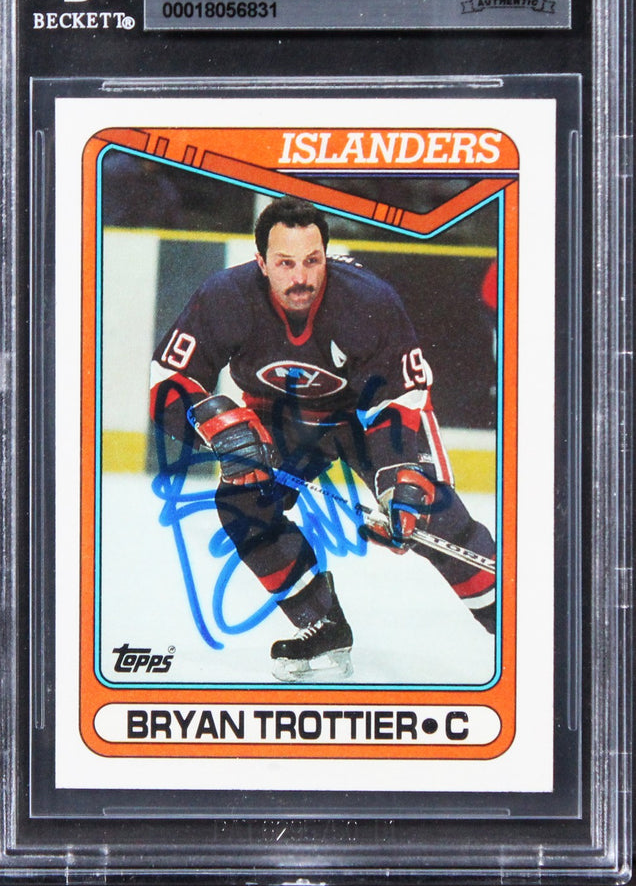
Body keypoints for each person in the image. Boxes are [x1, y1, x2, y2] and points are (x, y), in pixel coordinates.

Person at [150, 197, 496, 682]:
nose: (301, 277)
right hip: (279, 414)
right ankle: (322, 624)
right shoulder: (225, 297)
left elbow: (401, 397)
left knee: (430, 514)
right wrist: (213, 426)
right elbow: (168, 381)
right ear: (260, 262)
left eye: (312, 261)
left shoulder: (368, 301)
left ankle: (512, 619)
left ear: (326, 256)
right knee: (244, 505)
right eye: (285, 263)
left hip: (366, 416)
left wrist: (401, 476)